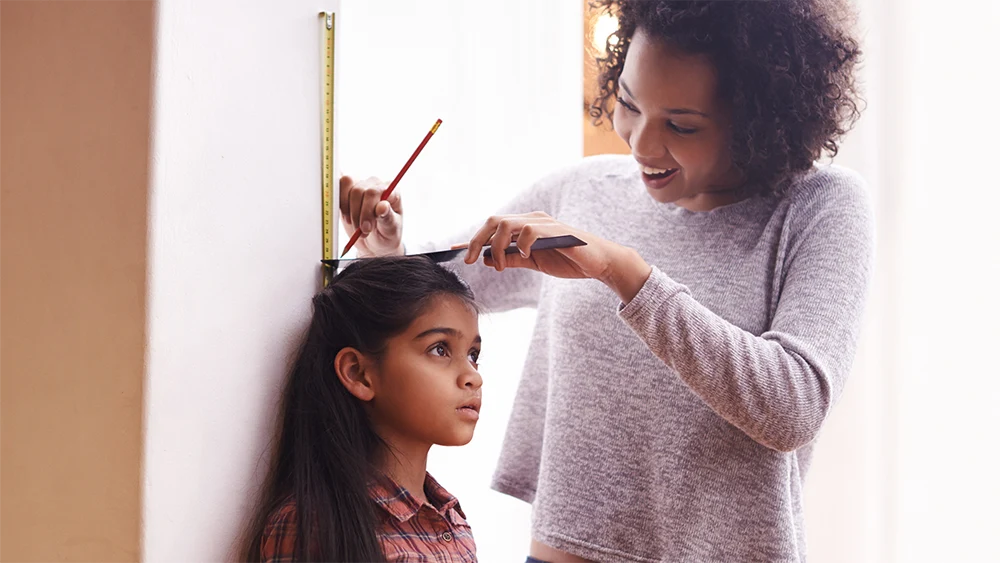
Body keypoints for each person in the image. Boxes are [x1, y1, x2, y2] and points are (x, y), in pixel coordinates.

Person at [340, 0, 873, 560]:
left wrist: (625, 275)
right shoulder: (584, 190)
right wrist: (388, 248)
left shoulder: (820, 208)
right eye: (629, 104)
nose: (640, 144)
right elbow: (437, 289)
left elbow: (793, 406)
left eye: (681, 125)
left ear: (760, 122)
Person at [241, 256, 483, 563]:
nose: (473, 376)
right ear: (358, 373)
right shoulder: (313, 525)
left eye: (473, 355)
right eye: (439, 349)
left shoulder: (452, 520)